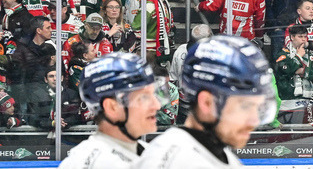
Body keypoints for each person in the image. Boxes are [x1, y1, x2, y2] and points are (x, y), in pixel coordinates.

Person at [135, 34, 275, 168]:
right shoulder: (184, 162)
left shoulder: (212, 154)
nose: (254, 121)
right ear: (207, 103)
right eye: (245, 107)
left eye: (258, 107)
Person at [59, 53, 162, 169]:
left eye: (153, 94)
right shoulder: (94, 163)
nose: (157, 105)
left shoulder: (147, 151)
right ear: (112, 107)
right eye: (143, 98)